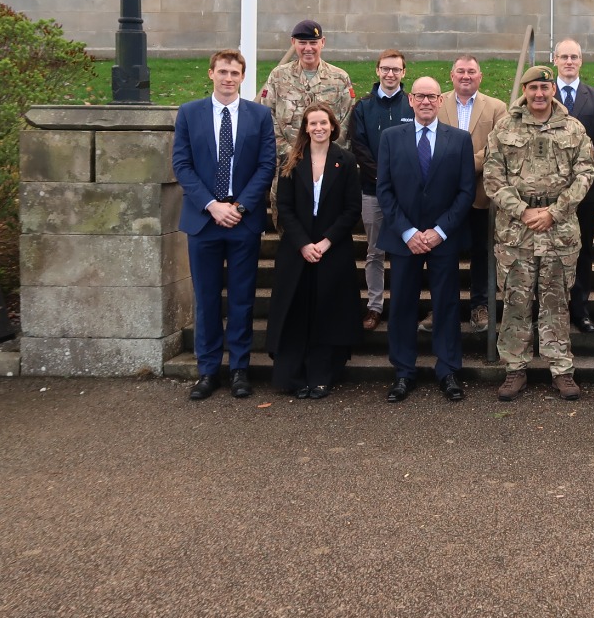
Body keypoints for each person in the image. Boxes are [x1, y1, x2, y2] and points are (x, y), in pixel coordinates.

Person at [485, 65, 594, 401]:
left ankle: (561, 369)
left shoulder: (573, 128)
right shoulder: (504, 128)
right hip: (516, 231)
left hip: (559, 231)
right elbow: (493, 176)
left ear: (553, 91)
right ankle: (515, 369)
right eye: (533, 88)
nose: (539, 94)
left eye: (544, 89)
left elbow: (585, 173)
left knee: (556, 301)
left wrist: (555, 212)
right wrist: (523, 210)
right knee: (516, 302)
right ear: (525, 89)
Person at [173, 50, 276, 401]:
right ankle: (208, 370)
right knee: (206, 299)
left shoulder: (259, 116)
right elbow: (182, 165)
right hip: (204, 220)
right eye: (222, 71)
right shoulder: (189, 113)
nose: (228, 78)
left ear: (243, 77)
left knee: (242, 300)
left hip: (243, 221)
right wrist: (213, 206)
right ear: (211, 74)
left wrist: (241, 206)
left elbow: (266, 166)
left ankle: (239, 369)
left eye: (234, 72)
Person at [377, 77, 477, 403]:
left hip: (443, 239)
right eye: (419, 96)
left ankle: (448, 370)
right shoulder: (391, 138)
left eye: (432, 96)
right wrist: (408, 232)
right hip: (404, 239)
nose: (425, 102)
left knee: (446, 305)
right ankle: (404, 372)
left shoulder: (460, 140)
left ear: (440, 100)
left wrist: (439, 231)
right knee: (403, 305)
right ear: (410, 99)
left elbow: (466, 192)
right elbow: (385, 191)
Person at [265, 103, 363, 399]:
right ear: (305, 128)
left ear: (333, 127)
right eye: (312, 123)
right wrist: (304, 244)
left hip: (333, 251)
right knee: (296, 311)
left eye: (324, 123)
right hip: (297, 250)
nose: (319, 128)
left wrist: (325, 242)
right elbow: (284, 207)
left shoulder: (345, 161)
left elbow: (351, 209)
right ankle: (294, 377)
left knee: (327, 313)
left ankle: (321, 376)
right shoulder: (290, 161)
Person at [432, 55, 505, 332]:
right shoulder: (438, 104)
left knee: (482, 253)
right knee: (443, 253)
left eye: (471, 72)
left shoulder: (497, 108)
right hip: (443, 195)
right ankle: (441, 308)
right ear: (451, 75)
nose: (466, 76)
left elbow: (496, 148)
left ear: (480, 76)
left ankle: (480, 307)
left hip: (480, 195)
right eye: (460, 71)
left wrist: (461, 167)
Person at [348, 49, 416, 332]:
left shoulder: (412, 105)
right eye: (385, 69)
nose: (390, 74)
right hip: (372, 192)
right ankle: (374, 306)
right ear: (377, 71)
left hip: (407, 196)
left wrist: (400, 182)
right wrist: (383, 179)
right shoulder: (363, 107)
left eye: (396, 69)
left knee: (406, 251)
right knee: (375, 252)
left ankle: (403, 305)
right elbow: (359, 147)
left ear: (403, 73)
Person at [552, 38, 594, 334]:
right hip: (547, 191)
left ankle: (580, 309)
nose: (569, 61)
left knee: (583, 250)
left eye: (574, 56)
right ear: (555, 60)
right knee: (548, 252)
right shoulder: (542, 93)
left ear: (581, 61)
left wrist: (579, 168)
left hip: (586, 190)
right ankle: (551, 311)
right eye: (563, 56)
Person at [257, 19, 355, 168]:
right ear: (293, 42)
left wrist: (325, 154)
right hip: (287, 165)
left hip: (328, 165)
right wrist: (292, 154)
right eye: (302, 42)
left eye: (313, 43)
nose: (308, 48)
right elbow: (268, 118)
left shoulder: (339, 78)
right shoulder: (278, 77)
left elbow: (347, 122)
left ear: (322, 42)